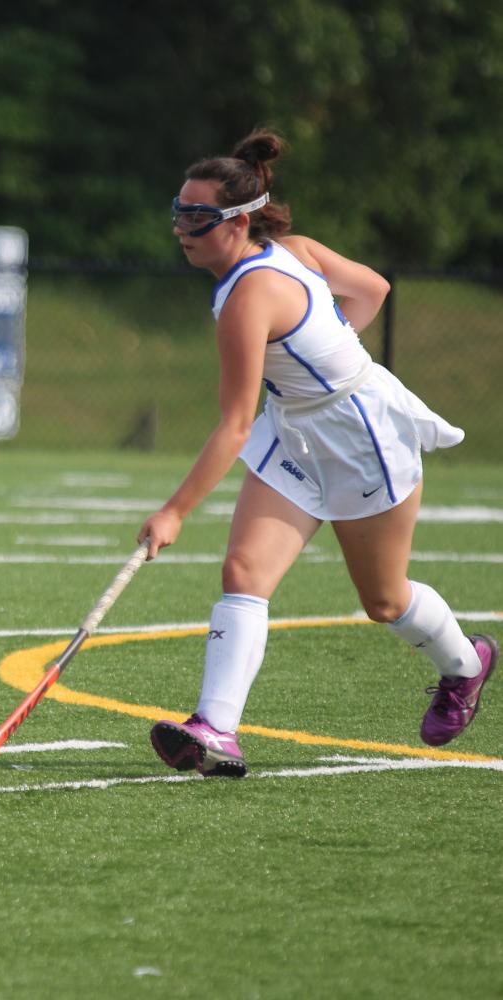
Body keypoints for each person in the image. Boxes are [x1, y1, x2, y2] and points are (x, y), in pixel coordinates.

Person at [139, 129, 493, 778]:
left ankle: (466, 666)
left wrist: (174, 512)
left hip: (361, 440)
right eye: (178, 212)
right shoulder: (284, 254)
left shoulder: (249, 295)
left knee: (384, 600)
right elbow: (371, 292)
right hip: (298, 429)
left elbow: (235, 424)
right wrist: (321, 346)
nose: (181, 228)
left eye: (197, 217)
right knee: (245, 571)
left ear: (239, 221)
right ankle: (215, 730)